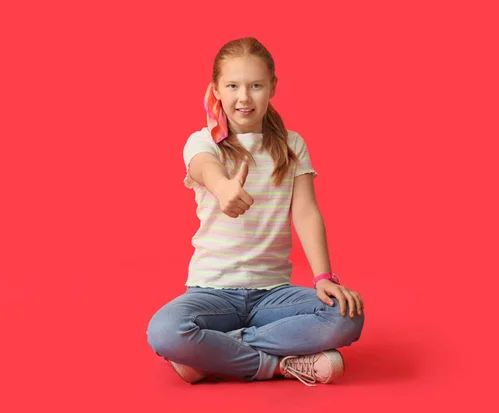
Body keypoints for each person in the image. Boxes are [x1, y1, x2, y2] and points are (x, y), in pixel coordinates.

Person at [147, 37, 364, 386]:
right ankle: (280, 365)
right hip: (211, 292)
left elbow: (306, 211)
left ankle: (218, 353)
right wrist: (223, 189)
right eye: (232, 86)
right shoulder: (202, 142)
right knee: (166, 332)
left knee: (346, 316)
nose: (244, 97)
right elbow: (205, 169)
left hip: (273, 295)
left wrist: (324, 278)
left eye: (255, 86)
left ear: (273, 87)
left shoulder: (293, 145)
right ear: (215, 89)